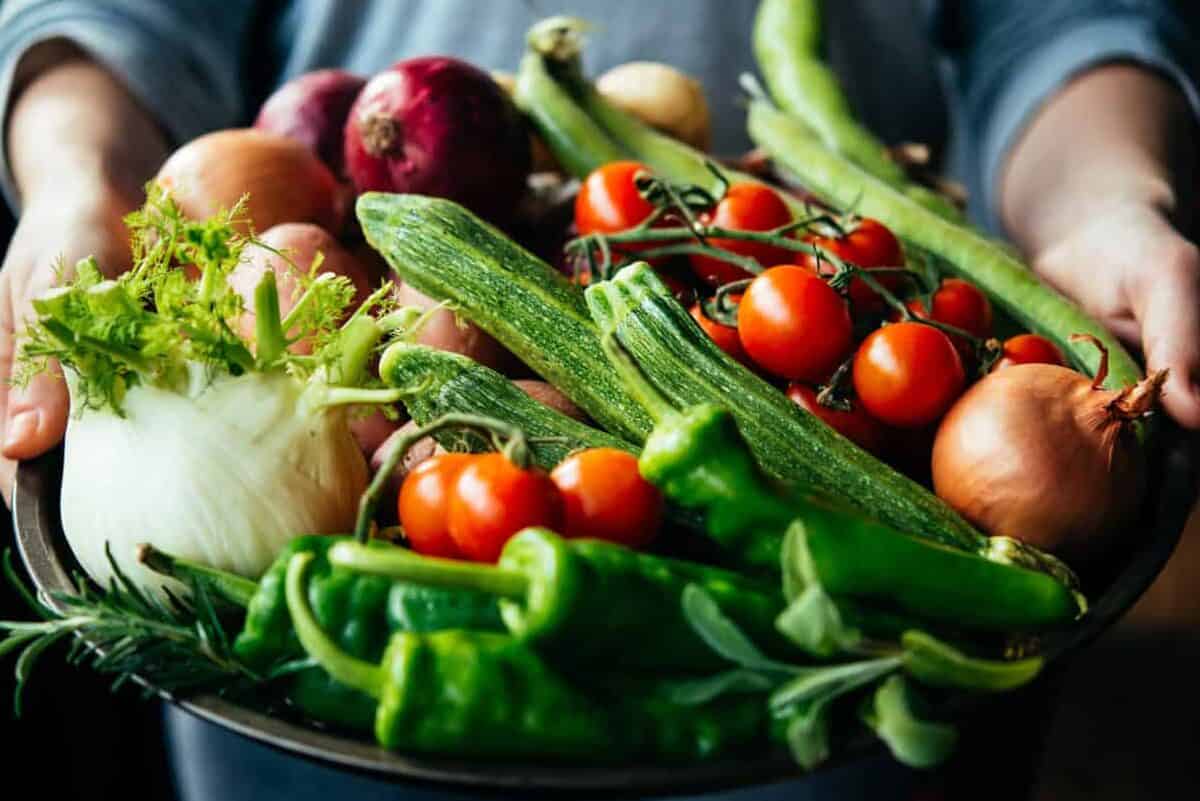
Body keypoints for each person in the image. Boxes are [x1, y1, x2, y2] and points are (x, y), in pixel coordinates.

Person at [0, 2, 1197, 799]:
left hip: (846, 740)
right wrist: (73, 183)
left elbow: (1053, 15)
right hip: (320, 721)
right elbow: (119, 13)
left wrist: (1103, 208)